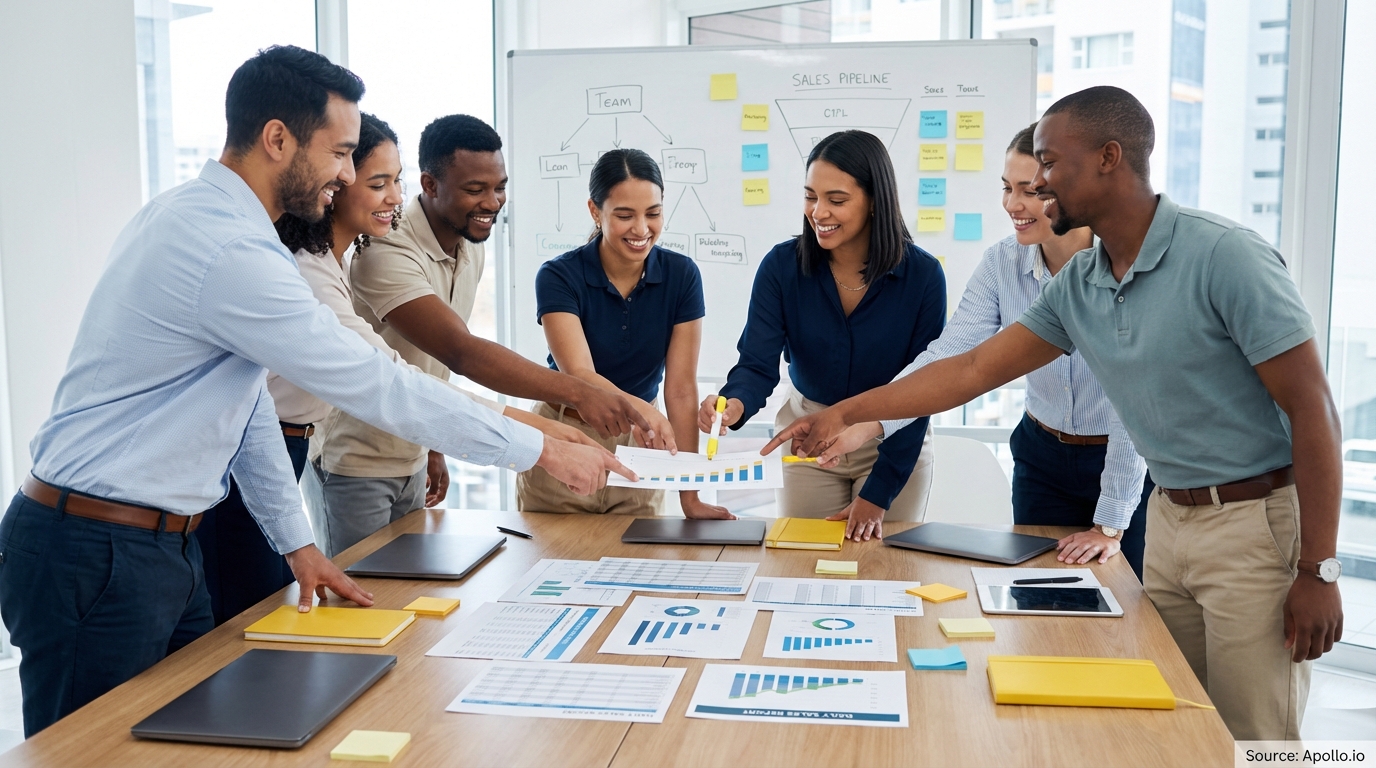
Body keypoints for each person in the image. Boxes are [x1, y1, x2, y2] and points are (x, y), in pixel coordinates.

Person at [0, 45, 627, 737]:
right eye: (340, 153)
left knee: (189, 745)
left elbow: (244, 413)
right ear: (277, 139)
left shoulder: (213, 225)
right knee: (91, 754)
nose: (347, 175)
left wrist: (296, 542)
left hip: (158, 549)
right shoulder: (227, 250)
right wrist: (537, 449)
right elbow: (372, 382)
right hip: (96, 549)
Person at [770, 86, 1344, 741]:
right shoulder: (1082, 282)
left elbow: (1314, 410)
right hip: (1171, 519)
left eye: (1048, 163)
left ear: (1108, 158)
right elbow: (970, 369)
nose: (1035, 185)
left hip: (1253, 524)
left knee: (1257, 734)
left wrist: (1319, 569)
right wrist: (844, 412)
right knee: (1177, 718)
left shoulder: (1223, 256)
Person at [815, 124, 1152, 578]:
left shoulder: (1126, 268)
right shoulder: (1001, 263)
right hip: (1042, 458)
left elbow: (1132, 407)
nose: (1013, 205)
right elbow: (950, 358)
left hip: (1128, 460)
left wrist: (1109, 524)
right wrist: (865, 423)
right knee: (1039, 598)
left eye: (1030, 191)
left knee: (1127, 606)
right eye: (1007, 188)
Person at [310, 114, 653, 554]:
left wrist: (435, 444)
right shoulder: (384, 247)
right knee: (359, 600)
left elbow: (426, 363)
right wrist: (579, 393)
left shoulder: (469, 244)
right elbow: (460, 351)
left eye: (499, 187)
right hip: (353, 460)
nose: (492, 202)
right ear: (431, 186)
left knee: (405, 594)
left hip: (411, 448)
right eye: (475, 190)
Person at [699, 130, 945, 541]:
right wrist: (732, 406)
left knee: (883, 570)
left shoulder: (922, 276)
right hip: (807, 439)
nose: (818, 212)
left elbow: (921, 390)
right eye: (811, 196)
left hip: (892, 443)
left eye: (836, 200)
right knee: (802, 562)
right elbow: (757, 364)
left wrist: (879, 493)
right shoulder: (781, 266)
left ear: (873, 202)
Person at [519, 149, 731, 518]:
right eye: (624, 215)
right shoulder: (558, 276)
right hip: (565, 436)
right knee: (551, 564)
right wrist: (645, 413)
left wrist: (690, 496)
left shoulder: (682, 275)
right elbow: (579, 375)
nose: (641, 229)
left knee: (635, 567)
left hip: (641, 448)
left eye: (653, 213)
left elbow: (680, 389)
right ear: (594, 211)